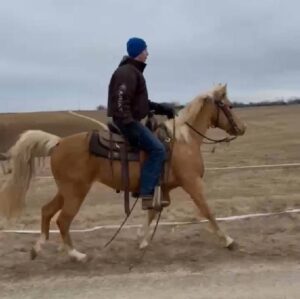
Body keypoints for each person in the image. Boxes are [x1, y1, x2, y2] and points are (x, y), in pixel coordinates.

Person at [107, 37, 175, 209]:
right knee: (158, 150)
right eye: (145, 50)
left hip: (129, 120)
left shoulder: (132, 72)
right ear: (138, 52)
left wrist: (161, 108)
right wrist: (129, 123)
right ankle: (146, 193)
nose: (147, 53)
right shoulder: (127, 73)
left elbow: (141, 103)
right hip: (127, 123)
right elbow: (121, 100)